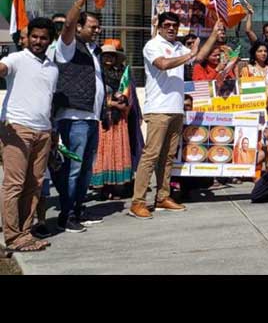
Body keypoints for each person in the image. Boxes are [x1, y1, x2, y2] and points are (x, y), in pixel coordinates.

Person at [129, 14, 220, 219]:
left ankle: (162, 196)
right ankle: (138, 202)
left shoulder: (179, 47)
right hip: (158, 109)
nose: (171, 28)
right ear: (160, 27)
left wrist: (213, 35)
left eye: (174, 25)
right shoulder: (153, 45)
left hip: (176, 108)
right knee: (150, 156)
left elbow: (199, 56)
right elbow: (162, 64)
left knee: (168, 157)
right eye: (167, 25)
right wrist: (189, 55)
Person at [51, 0, 106, 233]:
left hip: (92, 119)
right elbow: (68, 25)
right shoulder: (68, 46)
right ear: (80, 27)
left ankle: (78, 209)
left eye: (98, 27)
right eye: (92, 27)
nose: (97, 30)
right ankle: (67, 214)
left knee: (85, 171)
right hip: (74, 119)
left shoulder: (94, 51)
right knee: (72, 170)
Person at [0, 18, 59, 252]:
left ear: (49, 40)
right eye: (34, 36)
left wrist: (52, 133)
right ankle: (12, 237)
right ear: (28, 37)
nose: (38, 41)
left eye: (43, 37)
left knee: (34, 185)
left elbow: (48, 101)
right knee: (14, 185)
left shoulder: (53, 68)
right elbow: (2, 68)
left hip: (43, 131)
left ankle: (25, 233)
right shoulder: (16, 58)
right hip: (17, 129)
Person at [90, 43, 133, 201]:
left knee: (118, 151)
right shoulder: (96, 75)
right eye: (105, 55)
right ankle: (102, 188)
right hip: (103, 119)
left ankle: (116, 187)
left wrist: (124, 102)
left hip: (119, 120)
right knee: (103, 152)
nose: (108, 58)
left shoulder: (121, 74)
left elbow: (128, 93)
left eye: (111, 55)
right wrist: (111, 103)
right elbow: (95, 95)